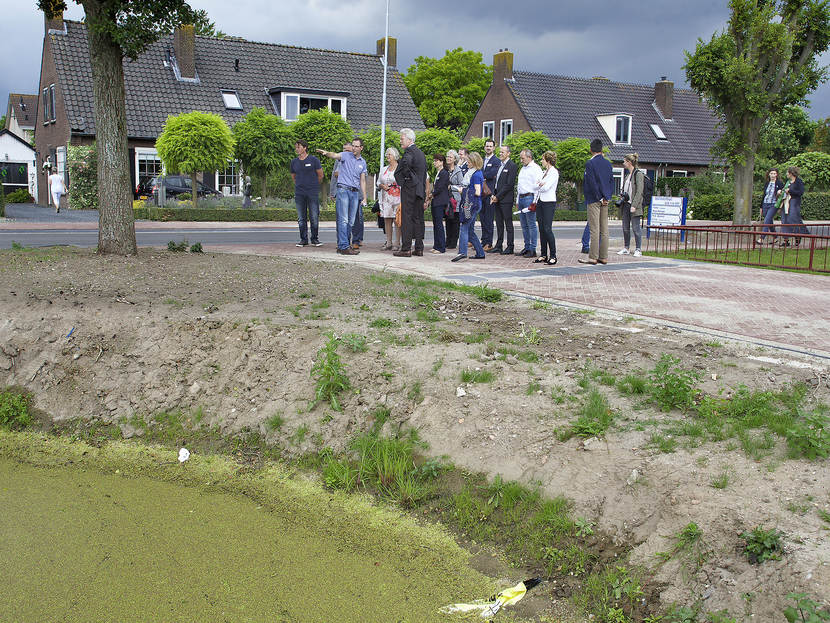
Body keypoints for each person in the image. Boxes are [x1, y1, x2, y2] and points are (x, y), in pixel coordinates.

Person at [318, 138, 368, 255]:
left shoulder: (362, 162)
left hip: (355, 193)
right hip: (343, 191)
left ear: (361, 148)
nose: (354, 148)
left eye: (356, 146)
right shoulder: (346, 155)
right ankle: (343, 246)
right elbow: (335, 155)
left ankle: (343, 245)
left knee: (351, 221)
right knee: (343, 220)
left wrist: (364, 197)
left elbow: (363, 181)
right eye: (353, 146)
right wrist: (326, 153)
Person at [578, 139, 613, 265]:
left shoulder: (590, 163)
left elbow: (591, 182)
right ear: (601, 150)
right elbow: (610, 182)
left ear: (591, 150)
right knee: (604, 229)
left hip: (594, 199)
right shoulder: (608, 164)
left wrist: (598, 197)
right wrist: (606, 197)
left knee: (594, 229)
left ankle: (593, 257)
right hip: (605, 199)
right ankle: (603, 256)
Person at [393, 128, 427, 257]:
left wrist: (407, 181)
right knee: (418, 218)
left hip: (410, 189)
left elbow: (405, 166)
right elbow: (423, 174)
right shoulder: (421, 153)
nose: (400, 141)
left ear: (409, 139)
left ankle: (406, 248)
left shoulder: (409, 152)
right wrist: (419, 185)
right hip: (420, 190)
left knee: (406, 217)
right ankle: (419, 248)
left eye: (402, 139)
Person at [451, 152, 486, 262]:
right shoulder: (475, 173)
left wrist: (463, 190)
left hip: (472, 204)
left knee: (464, 227)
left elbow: (477, 191)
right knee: (469, 230)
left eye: (469, 162)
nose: (468, 164)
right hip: (473, 203)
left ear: (474, 162)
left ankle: (462, 252)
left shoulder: (475, 175)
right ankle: (480, 252)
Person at [290, 139, 324, 247]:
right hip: (300, 193)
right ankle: (303, 239)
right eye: (296, 147)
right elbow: (293, 176)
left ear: (305, 148)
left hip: (312, 192)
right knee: (301, 217)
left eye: (299, 147)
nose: (297, 149)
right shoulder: (294, 162)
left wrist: (313, 185)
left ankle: (314, 239)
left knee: (314, 216)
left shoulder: (314, 160)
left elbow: (320, 175)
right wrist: (300, 185)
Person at [490, 145, 518, 254]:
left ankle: (510, 246)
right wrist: (493, 194)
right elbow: (496, 182)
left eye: (502, 152)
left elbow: (509, 185)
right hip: (497, 198)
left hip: (505, 199)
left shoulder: (512, 166)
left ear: (508, 153)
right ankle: (499, 245)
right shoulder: (499, 165)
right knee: (499, 223)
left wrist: (498, 196)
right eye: (500, 152)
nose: (500, 154)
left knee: (508, 223)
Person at [616, 153, 645, 257]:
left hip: (634, 206)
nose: (623, 163)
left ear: (629, 162)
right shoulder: (628, 175)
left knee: (636, 228)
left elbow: (639, 191)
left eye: (624, 161)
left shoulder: (638, 174)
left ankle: (638, 249)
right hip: (626, 205)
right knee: (625, 227)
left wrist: (634, 205)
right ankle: (626, 248)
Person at [534, 150, 559, 266]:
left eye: (543, 159)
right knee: (541, 229)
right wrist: (540, 184)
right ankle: (543, 254)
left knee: (547, 228)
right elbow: (536, 185)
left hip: (549, 202)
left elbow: (547, 187)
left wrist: (541, 184)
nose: (541, 161)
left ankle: (553, 255)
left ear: (548, 161)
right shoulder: (544, 172)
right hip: (540, 201)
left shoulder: (554, 173)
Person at [516, 149, 542, 257]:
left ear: (529, 157)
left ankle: (533, 248)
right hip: (522, 197)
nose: (521, 160)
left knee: (531, 224)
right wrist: (517, 200)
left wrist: (535, 201)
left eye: (523, 158)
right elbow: (519, 185)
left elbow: (538, 186)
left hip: (529, 197)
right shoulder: (523, 168)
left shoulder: (535, 169)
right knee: (524, 224)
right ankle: (526, 246)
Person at [377, 147, 402, 251]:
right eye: (387, 154)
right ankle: (388, 242)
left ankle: (397, 242)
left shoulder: (400, 169)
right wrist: (382, 186)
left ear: (395, 156)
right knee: (387, 219)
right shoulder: (384, 169)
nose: (387, 156)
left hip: (397, 197)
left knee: (397, 220)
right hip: (386, 198)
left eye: (389, 154)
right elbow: (378, 182)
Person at [480, 139, 501, 250]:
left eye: (490, 146)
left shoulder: (497, 161)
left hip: (490, 193)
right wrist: (484, 175)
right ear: (484, 147)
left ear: (494, 148)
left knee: (488, 219)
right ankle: (483, 241)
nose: (488, 148)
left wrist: (482, 175)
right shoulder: (481, 160)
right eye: (487, 146)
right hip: (481, 193)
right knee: (482, 218)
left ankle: (488, 243)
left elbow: (493, 173)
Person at [781, 166, 809, 247]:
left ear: (791, 173)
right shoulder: (788, 182)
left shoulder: (798, 182)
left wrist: (790, 191)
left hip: (794, 202)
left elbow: (800, 192)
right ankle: (786, 240)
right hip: (786, 202)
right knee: (784, 220)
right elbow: (784, 190)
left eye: (787, 172)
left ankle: (799, 235)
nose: (786, 174)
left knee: (793, 219)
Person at [429, 153, 450, 253]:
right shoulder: (438, 173)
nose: (434, 162)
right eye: (434, 161)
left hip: (440, 201)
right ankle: (436, 245)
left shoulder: (444, 173)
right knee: (436, 224)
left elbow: (440, 187)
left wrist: (432, 194)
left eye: (436, 161)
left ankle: (441, 247)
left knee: (439, 224)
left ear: (442, 162)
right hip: (435, 201)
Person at [757, 168, 784, 244]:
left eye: (774, 173)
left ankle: (761, 238)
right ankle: (775, 237)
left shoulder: (779, 183)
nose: (772, 175)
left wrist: (780, 192)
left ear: (776, 174)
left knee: (766, 220)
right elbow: (764, 195)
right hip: (766, 203)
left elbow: (783, 194)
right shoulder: (767, 183)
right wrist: (761, 207)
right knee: (769, 221)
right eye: (771, 173)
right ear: (769, 174)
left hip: (774, 204)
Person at [445, 150, 463, 250]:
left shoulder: (458, 171)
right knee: (447, 220)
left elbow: (462, 185)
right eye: (447, 156)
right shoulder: (445, 170)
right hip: (447, 199)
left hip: (455, 199)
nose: (448, 158)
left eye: (450, 157)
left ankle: (453, 242)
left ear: (455, 159)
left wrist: (451, 187)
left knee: (455, 221)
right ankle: (447, 240)